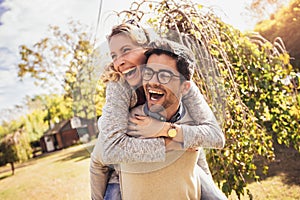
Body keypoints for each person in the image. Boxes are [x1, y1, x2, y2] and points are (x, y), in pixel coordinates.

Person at [90, 21, 226, 200]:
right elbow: (109, 150)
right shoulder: (119, 86)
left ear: (146, 48)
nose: (119, 62)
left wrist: (165, 130)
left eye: (125, 50)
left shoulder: (181, 83)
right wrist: (175, 144)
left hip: (180, 164)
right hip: (124, 170)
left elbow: (214, 136)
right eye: (114, 55)